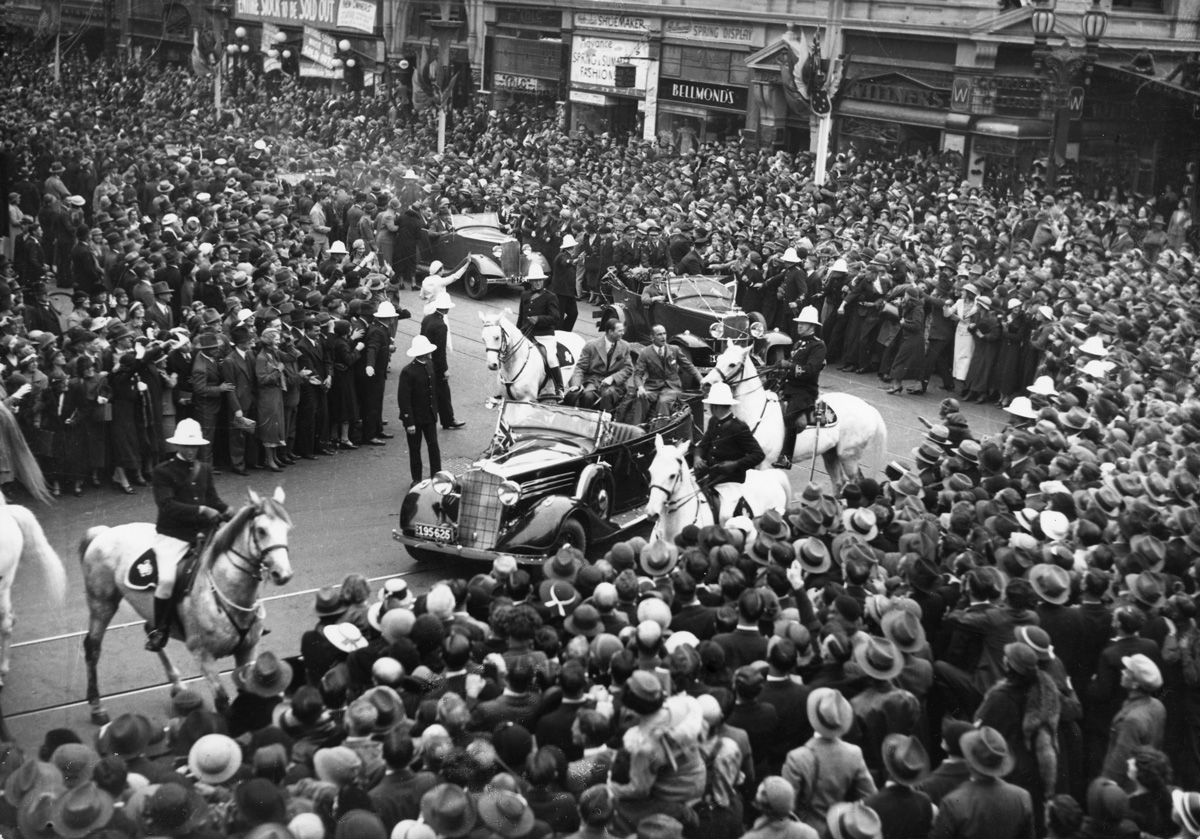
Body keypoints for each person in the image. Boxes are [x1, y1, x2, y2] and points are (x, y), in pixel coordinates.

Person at [145, 418, 230, 652]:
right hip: (173, 537)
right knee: (167, 581)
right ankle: (159, 629)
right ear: (177, 446)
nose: (191, 450)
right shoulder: (162, 472)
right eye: (186, 446)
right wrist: (201, 510)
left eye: (194, 446)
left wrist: (231, 512)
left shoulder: (204, 469)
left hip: (202, 535)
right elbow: (167, 506)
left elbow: (212, 499)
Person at [774, 306, 826, 469]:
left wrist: (789, 365)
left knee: (789, 417)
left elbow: (810, 370)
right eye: (800, 322)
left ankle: (786, 457)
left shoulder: (818, 346)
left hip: (804, 391)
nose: (800, 325)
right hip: (790, 387)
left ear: (812, 326)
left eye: (804, 323)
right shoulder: (799, 343)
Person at [694, 382, 764, 486]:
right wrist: (697, 458)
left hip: (730, 480)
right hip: (711, 476)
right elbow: (703, 445)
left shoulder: (739, 427)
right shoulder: (713, 421)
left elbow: (758, 455)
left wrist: (736, 464)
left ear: (716, 406)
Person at [627, 324, 697, 426]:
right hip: (653, 387)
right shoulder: (645, 353)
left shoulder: (674, 349)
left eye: (664, 333)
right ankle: (637, 430)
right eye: (659, 334)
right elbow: (638, 374)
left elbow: (689, 366)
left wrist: (702, 380)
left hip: (672, 387)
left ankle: (660, 430)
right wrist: (640, 387)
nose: (663, 337)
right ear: (652, 337)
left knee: (663, 401)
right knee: (641, 398)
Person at [397, 335, 441, 484]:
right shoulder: (408, 371)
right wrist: (409, 421)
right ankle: (416, 479)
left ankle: (437, 476)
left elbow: (433, 390)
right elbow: (403, 398)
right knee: (415, 450)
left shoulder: (429, 365)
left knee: (433, 446)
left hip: (429, 415)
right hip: (415, 418)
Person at [517, 263, 563, 398]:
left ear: (543, 280)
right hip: (527, 334)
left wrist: (539, 319)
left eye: (540, 280)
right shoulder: (524, 295)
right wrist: (517, 332)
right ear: (530, 281)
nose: (537, 283)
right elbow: (521, 317)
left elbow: (555, 318)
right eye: (535, 280)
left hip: (544, 335)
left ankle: (559, 387)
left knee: (551, 358)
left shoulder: (550, 296)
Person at [420, 292, 465, 431]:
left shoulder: (427, 319)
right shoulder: (441, 325)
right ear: (447, 309)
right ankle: (448, 419)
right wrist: (444, 368)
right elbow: (440, 351)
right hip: (435, 362)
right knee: (443, 392)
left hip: (425, 358)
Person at [566, 319, 633, 412]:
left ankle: (605, 421)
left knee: (607, 395)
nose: (623, 333)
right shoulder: (591, 345)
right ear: (610, 332)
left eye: (623, 330)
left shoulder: (625, 346)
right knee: (587, 396)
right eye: (620, 331)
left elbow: (628, 368)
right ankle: (584, 419)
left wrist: (612, 378)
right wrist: (576, 385)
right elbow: (580, 367)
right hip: (594, 381)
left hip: (615, 385)